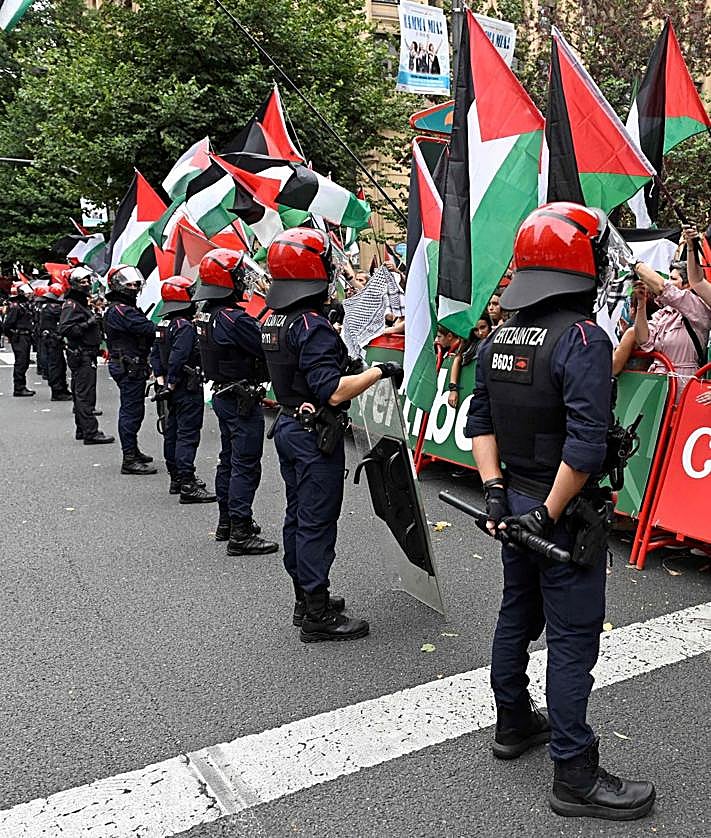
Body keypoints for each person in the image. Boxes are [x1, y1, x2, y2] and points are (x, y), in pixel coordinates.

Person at [465, 201, 655, 821]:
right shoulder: (582, 340)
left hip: (514, 500)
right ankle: (574, 772)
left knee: (516, 612)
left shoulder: (497, 339)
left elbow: (481, 423)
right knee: (573, 639)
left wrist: (496, 495)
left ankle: (513, 721)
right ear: (582, 262)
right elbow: (585, 446)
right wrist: (547, 514)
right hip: (558, 511)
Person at [262, 227, 404, 642]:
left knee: (297, 516)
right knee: (317, 523)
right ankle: (318, 615)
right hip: (313, 435)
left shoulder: (275, 319)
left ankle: (304, 598)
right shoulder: (312, 325)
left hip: (290, 424)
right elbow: (333, 388)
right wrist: (380, 372)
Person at [193, 248, 277, 556]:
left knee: (228, 460)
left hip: (224, 393)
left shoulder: (208, 314)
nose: (245, 281)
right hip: (241, 396)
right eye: (239, 276)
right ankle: (240, 531)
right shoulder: (235, 319)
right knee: (244, 464)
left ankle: (227, 521)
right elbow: (264, 348)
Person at [150, 275, 215, 503]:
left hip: (169, 387)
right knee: (187, 434)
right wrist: (173, 382)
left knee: (172, 432)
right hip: (185, 386)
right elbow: (178, 356)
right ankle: (187, 483)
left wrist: (162, 382)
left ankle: (176, 478)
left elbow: (155, 355)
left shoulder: (164, 323)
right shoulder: (185, 326)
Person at [632, 227, 711, 397]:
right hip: (657, 385)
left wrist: (633, 263)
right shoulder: (663, 314)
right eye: (669, 277)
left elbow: (665, 288)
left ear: (686, 285)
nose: (669, 282)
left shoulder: (698, 308)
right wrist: (640, 305)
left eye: (674, 279)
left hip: (685, 385)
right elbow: (644, 341)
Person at [104, 265, 157, 475]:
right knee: (131, 412)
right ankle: (129, 458)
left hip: (130, 364)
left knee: (134, 410)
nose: (134, 287)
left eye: (136, 283)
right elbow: (147, 329)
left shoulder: (124, 308)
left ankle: (133, 451)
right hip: (128, 366)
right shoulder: (121, 310)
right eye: (129, 283)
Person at [58, 267, 114, 444]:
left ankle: (82, 429)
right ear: (74, 284)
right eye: (83, 282)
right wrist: (89, 323)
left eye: (88, 281)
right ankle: (90, 432)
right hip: (81, 354)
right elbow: (65, 329)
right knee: (85, 394)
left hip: (84, 353)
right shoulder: (72, 305)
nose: (87, 284)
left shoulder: (79, 303)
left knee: (81, 392)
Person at [40, 283, 72, 400]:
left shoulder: (47, 306)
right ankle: (58, 391)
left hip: (52, 339)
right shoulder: (53, 308)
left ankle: (62, 388)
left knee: (60, 365)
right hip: (52, 340)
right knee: (56, 366)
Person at [3, 282, 36, 396]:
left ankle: (22, 386)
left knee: (25, 361)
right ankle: (19, 387)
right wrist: (13, 336)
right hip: (19, 336)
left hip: (25, 336)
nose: (29, 293)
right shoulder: (16, 306)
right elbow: (7, 325)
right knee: (21, 362)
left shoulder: (24, 305)